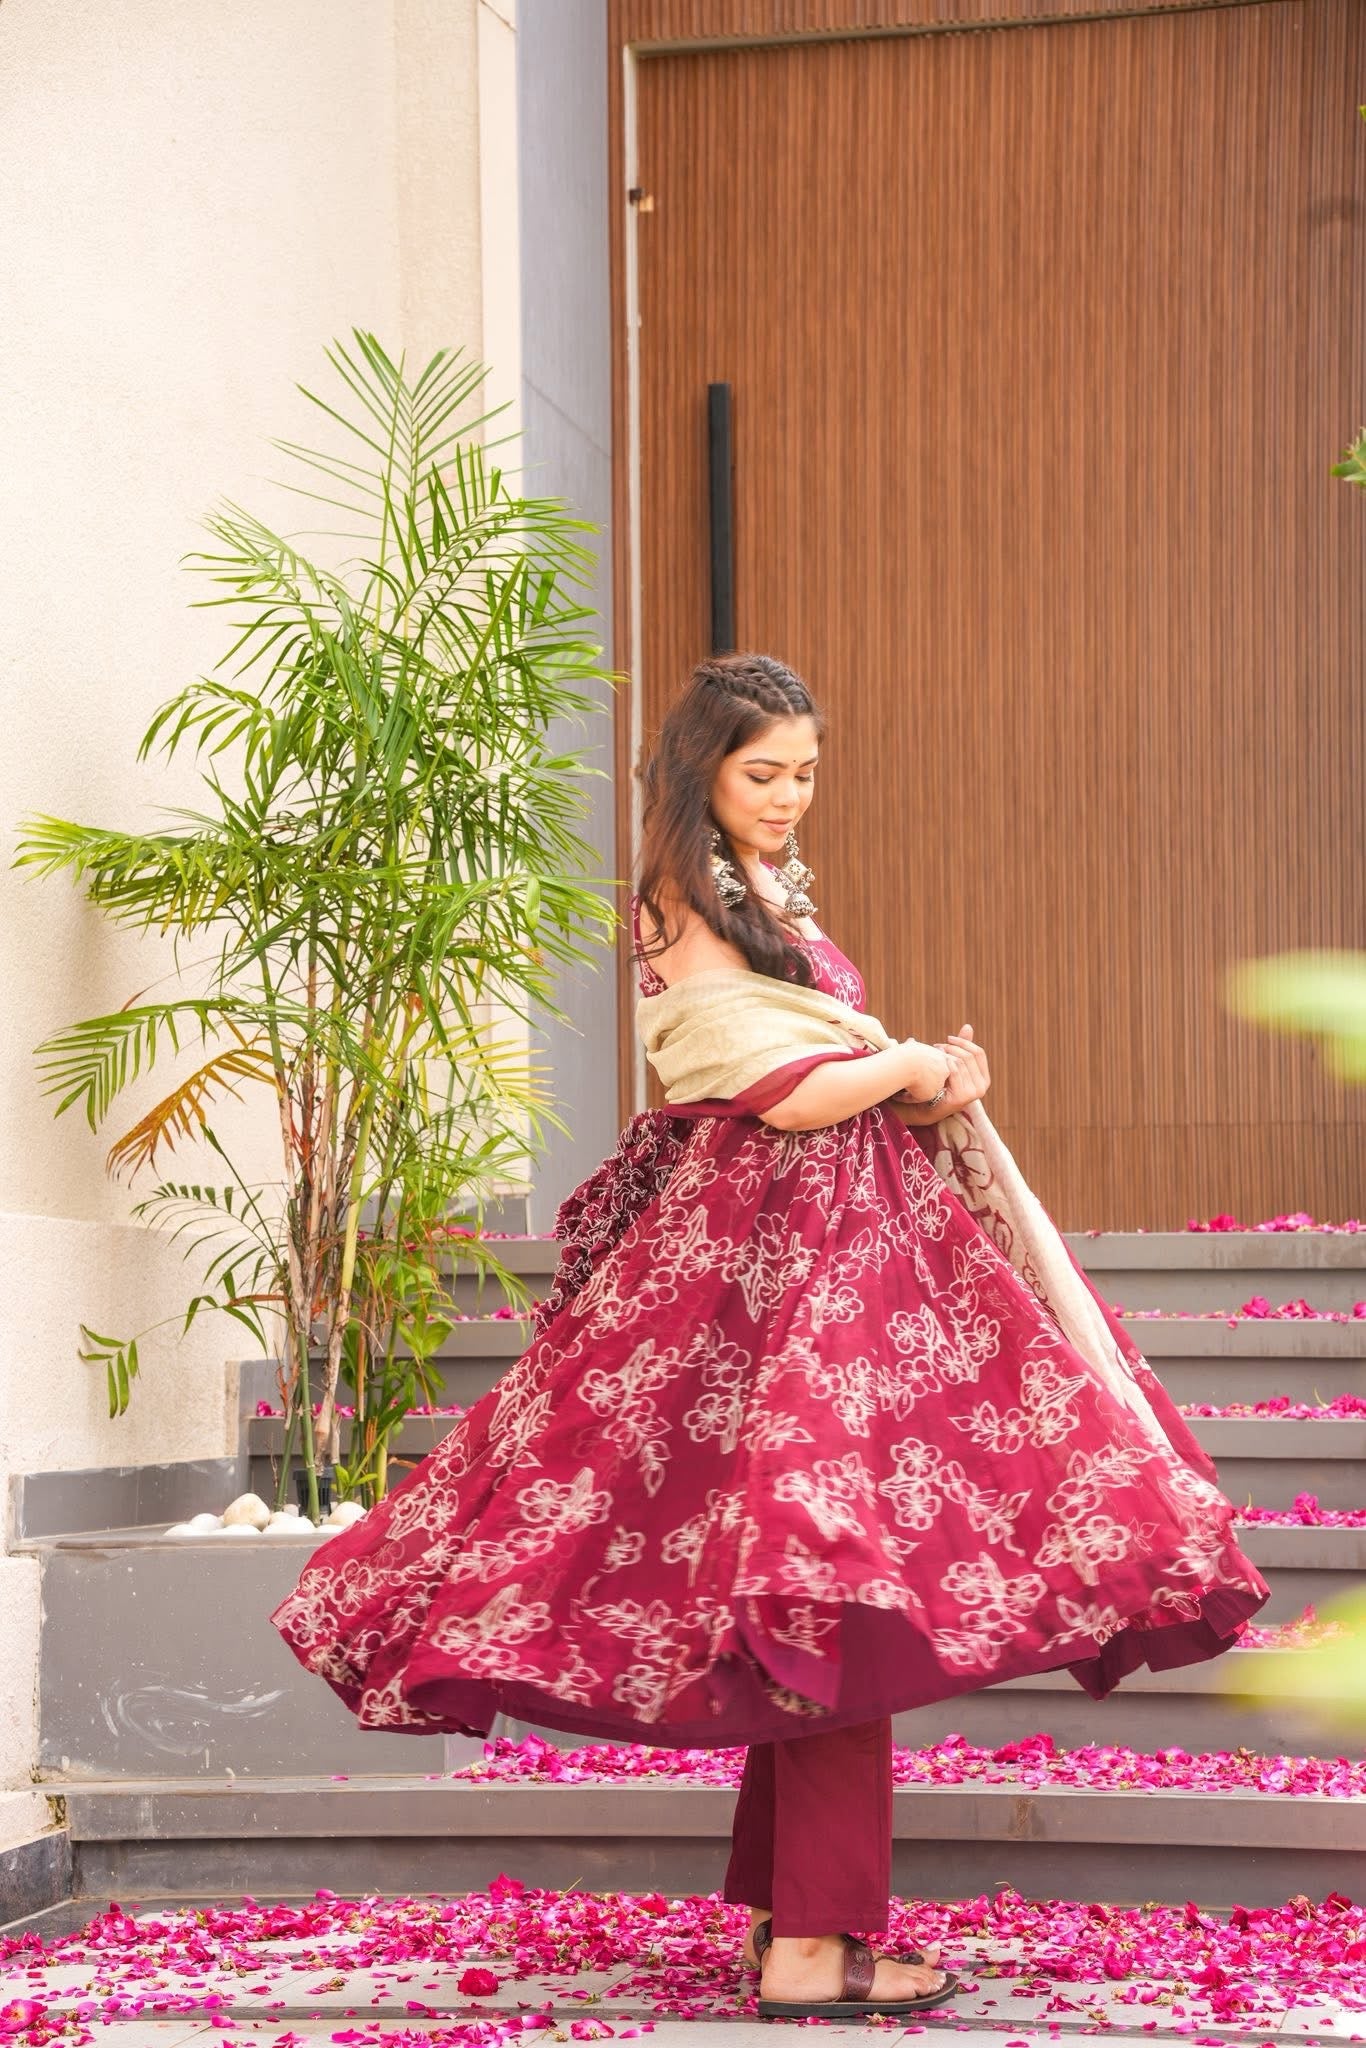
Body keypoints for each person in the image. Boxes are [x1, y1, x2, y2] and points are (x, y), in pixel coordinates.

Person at [272, 652, 1270, 2023]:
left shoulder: (756, 897)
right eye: (762, 773)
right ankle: (811, 1947)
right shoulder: (684, 899)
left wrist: (919, 1084)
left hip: (831, 1277)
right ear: (699, 771)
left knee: (825, 1595)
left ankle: (798, 1931)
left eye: (804, 771)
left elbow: (807, 1076)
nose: (789, 796)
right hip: (771, 1292)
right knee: (831, 1592)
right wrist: (910, 1065)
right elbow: (764, 1091)